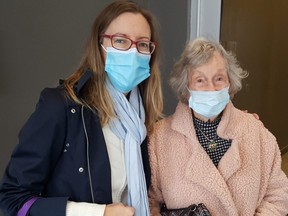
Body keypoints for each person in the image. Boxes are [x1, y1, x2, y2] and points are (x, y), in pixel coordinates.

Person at [0, 1, 163, 216]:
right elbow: (13, 199)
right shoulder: (61, 107)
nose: (133, 53)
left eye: (142, 44)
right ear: (99, 46)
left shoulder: (145, 120)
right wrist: (99, 213)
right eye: (121, 41)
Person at [148, 37, 288, 215]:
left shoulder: (256, 132)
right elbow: (149, 200)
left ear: (230, 82)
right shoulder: (159, 137)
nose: (211, 88)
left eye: (219, 78)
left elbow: (278, 194)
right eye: (200, 80)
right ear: (185, 87)